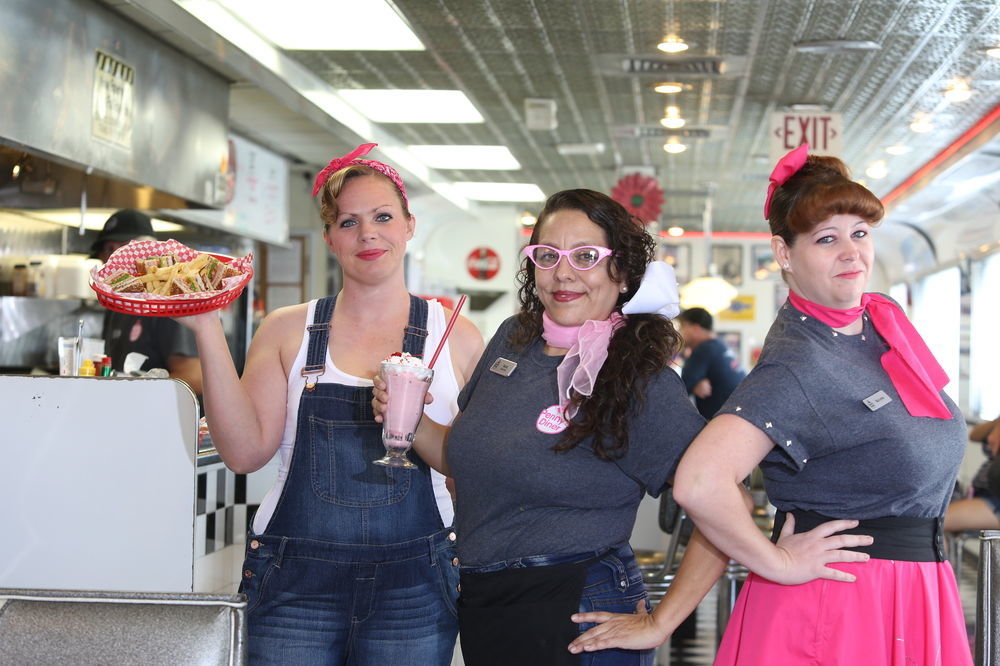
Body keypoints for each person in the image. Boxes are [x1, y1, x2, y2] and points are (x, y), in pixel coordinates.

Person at [375, 188, 865, 666]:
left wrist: (663, 620)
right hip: (484, 602)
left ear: (622, 270)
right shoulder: (514, 339)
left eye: (586, 255)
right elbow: (460, 456)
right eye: (547, 255)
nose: (563, 272)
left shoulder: (638, 380)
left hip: (580, 609)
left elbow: (724, 499)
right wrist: (408, 418)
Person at [602, 144, 969, 665]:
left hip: (908, 591)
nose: (851, 252)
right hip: (841, 604)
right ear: (783, 254)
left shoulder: (878, 334)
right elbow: (701, 483)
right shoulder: (799, 365)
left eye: (859, 234)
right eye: (827, 239)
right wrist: (777, 561)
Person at [176, 143, 482, 664]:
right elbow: (245, 453)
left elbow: (473, 467)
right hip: (296, 580)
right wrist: (207, 324)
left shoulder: (456, 337)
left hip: (416, 584)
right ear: (329, 238)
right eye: (348, 222)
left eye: (383, 217)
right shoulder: (287, 329)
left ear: (409, 226)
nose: (368, 233)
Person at [92, 209, 202, 395]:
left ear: (147, 251)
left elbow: (194, 376)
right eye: (107, 249)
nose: (113, 258)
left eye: (122, 248)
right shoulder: (116, 304)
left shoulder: (166, 300)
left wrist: (137, 393)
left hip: (163, 418)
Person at [676, 306, 746, 418]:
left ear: (696, 328)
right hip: (739, 415)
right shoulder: (719, 344)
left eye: (682, 327)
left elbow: (679, 390)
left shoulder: (703, 349)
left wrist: (691, 386)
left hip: (724, 422)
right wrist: (694, 385)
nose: (679, 332)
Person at [944, 417, 1000, 533]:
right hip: (981, 494)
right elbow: (974, 435)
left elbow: (991, 439)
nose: (989, 441)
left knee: (933, 523)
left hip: (992, 499)